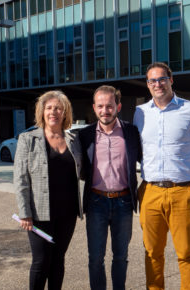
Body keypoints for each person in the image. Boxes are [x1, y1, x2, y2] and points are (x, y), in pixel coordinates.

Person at [133, 62, 190, 290]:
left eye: (161, 79)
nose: (157, 84)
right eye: (152, 80)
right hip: (150, 191)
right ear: (147, 85)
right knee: (152, 253)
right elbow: (140, 150)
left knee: (186, 252)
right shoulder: (140, 113)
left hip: (183, 191)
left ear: (171, 80)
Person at [13, 90, 83, 290]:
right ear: (42, 111)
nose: (54, 112)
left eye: (58, 108)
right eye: (49, 108)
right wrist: (24, 213)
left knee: (58, 259)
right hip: (39, 213)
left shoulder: (73, 140)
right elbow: (20, 179)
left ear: (65, 112)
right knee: (41, 260)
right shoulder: (28, 139)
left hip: (67, 213)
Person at [79, 85, 141, 290]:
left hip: (124, 201)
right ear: (94, 108)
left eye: (109, 106)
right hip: (96, 202)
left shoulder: (131, 132)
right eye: (100, 106)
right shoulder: (85, 135)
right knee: (95, 258)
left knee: (121, 256)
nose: (105, 110)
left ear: (118, 106)